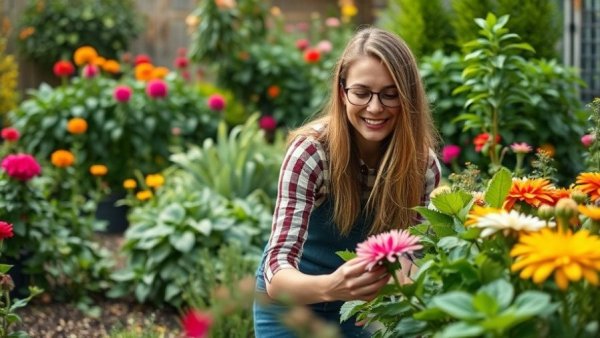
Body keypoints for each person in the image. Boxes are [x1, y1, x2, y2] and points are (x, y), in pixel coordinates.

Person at [253, 26, 441, 337]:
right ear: (343, 92)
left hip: (362, 310)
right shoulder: (312, 154)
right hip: (291, 306)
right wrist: (333, 286)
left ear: (408, 97)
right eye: (362, 92)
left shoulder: (421, 167)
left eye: (390, 94)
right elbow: (276, 271)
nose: (375, 107)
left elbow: (410, 258)